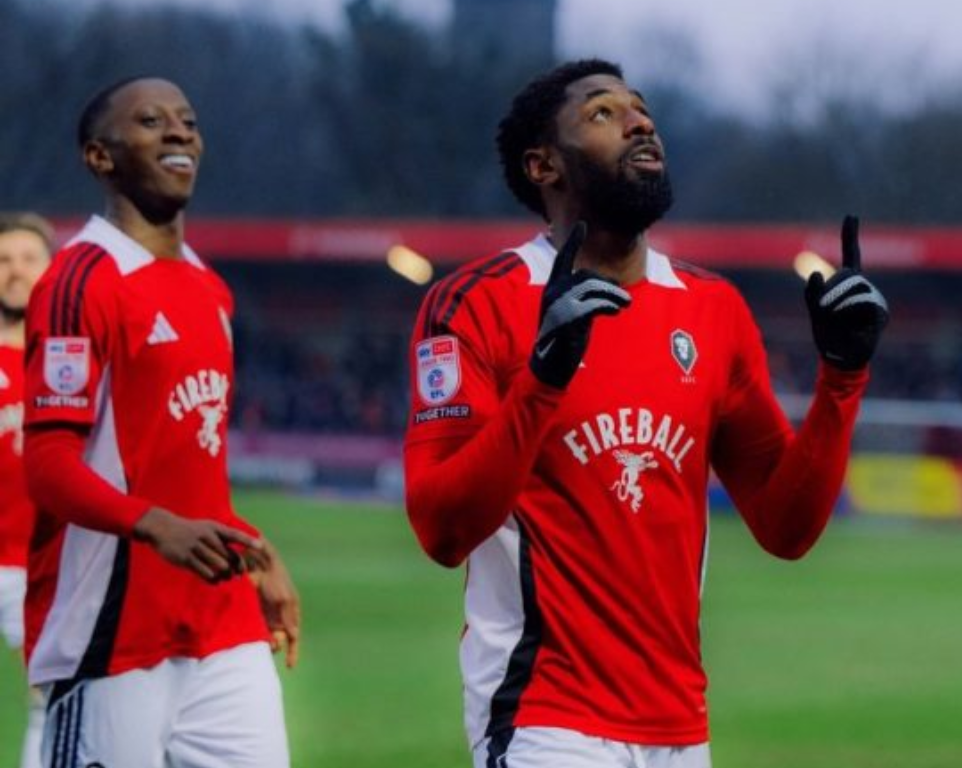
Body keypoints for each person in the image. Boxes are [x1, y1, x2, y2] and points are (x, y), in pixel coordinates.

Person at [402, 58, 889, 768]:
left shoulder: (712, 309)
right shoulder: (475, 302)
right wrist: (541, 383)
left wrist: (842, 378)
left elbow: (787, 527)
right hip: (543, 720)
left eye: (641, 107)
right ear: (544, 166)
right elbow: (440, 530)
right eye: (603, 113)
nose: (640, 121)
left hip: (680, 729)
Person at [21, 76, 300, 768]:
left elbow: (191, 461)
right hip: (112, 631)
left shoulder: (211, 288)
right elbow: (49, 469)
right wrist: (154, 525)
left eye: (188, 121)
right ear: (100, 157)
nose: (179, 132)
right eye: (150, 122)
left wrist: (256, 552)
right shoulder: (79, 280)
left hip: (221, 626)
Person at [0, 212, 53, 768]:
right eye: (3, 261)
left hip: (39, 566)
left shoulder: (72, 361)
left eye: (27, 259)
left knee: (48, 703)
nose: (15, 272)